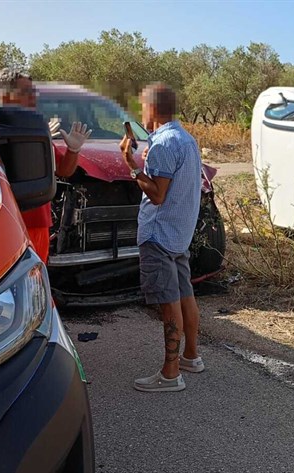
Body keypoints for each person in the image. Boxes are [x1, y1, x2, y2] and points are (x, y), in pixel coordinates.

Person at [120, 83, 204, 393]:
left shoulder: (164, 144)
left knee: (170, 305)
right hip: (178, 235)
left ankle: (170, 374)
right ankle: (191, 357)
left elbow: (156, 195)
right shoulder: (185, 139)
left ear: (153, 109)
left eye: (142, 106)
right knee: (185, 296)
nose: (141, 113)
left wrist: (131, 165)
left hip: (159, 234)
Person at [0, 68, 92, 263]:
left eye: (33, 92)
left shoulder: (37, 134)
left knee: (37, 277)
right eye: (26, 92)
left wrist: (73, 150)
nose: (33, 98)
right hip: (4, 224)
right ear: (5, 96)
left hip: (38, 224)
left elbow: (63, 171)